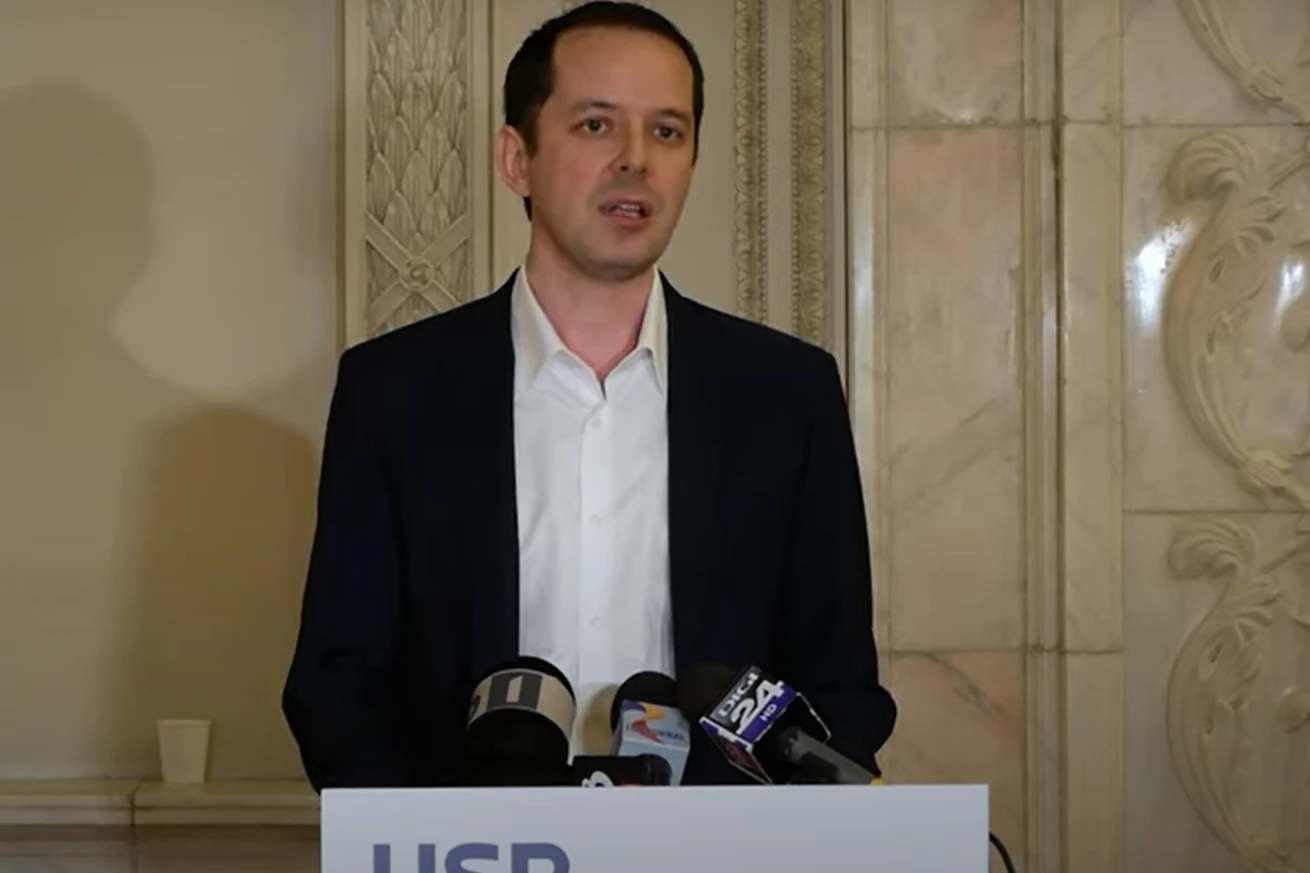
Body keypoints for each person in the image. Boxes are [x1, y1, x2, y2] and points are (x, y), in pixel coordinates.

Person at [281, 0, 896, 790]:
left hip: (720, 843)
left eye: (666, 131)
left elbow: (839, 686)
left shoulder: (787, 394)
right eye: (597, 125)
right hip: (475, 843)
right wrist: (434, 834)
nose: (636, 159)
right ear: (517, 159)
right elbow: (338, 684)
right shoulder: (395, 391)